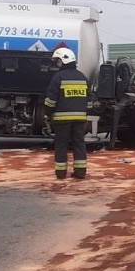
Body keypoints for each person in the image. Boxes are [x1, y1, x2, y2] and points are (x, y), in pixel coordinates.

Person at [44, 47, 93, 179]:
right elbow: (89, 101)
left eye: (58, 61)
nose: (57, 64)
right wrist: (84, 114)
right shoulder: (82, 77)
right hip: (80, 120)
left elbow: (50, 100)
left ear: (64, 60)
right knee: (79, 144)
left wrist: (48, 113)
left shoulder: (58, 77)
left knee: (61, 145)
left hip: (62, 119)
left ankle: (60, 173)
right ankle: (80, 172)